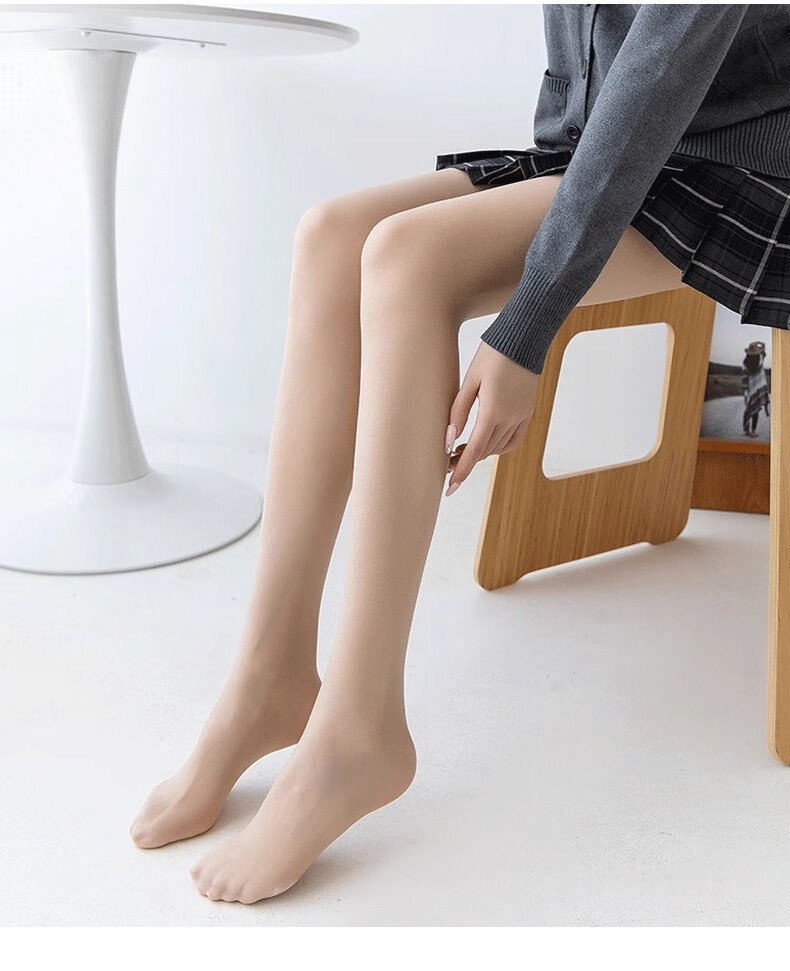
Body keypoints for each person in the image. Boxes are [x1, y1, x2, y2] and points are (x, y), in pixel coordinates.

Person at [130, 5, 790, 904]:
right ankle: (268, 676)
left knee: (409, 257)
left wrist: (526, 328)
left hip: (741, 167)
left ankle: (359, 729)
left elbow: (666, 66)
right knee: (331, 235)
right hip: (613, 145)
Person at [742, 341, 771, 438]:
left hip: (750, 389)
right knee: (756, 410)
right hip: (758, 388)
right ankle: (753, 431)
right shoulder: (760, 360)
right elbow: (764, 347)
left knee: (749, 408)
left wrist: (745, 390)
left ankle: (747, 430)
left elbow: (745, 376)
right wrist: (759, 343)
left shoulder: (745, 363)